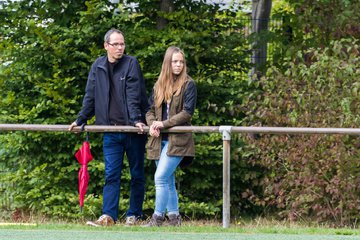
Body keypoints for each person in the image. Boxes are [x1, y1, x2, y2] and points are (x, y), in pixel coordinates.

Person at [69, 29, 149, 227]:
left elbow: (134, 94)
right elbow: (90, 95)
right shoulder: (98, 66)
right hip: (110, 131)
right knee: (111, 175)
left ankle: (134, 215)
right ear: (106, 46)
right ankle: (108, 216)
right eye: (116, 44)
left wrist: (137, 119)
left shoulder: (131, 63)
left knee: (137, 174)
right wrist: (80, 120)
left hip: (132, 131)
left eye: (122, 44)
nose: (120, 48)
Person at [144, 46, 197, 227]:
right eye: (175, 61)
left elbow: (187, 113)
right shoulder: (159, 85)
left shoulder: (189, 84)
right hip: (159, 140)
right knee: (167, 179)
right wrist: (152, 124)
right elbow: (150, 110)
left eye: (181, 62)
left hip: (179, 140)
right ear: (168, 63)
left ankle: (157, 218)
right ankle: (174, 218)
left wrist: (163, 124)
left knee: (159, 178)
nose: (178, 65)